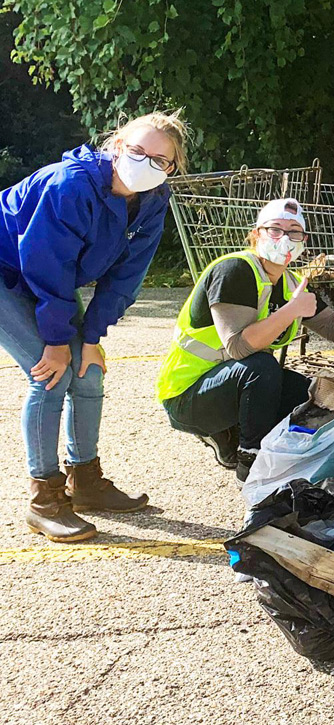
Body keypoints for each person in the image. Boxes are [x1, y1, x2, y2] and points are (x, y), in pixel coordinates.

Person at [0, 110, 189, 542]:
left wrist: (91, 337)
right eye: (137, 150)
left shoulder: (154, 201)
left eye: (160, 160)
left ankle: (84, 481)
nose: (146, 162)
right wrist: (55, 340)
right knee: (50, 372)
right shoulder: (70, 184)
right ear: (117, 145)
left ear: (171, 168)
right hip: (9, 267)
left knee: (89, 368)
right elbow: (46, 263)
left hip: (47, 275)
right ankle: (43, 499)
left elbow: (125, 278)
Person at [156, 198, 334, 486]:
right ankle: (250, 460)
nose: (285, 239)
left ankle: (253, 442)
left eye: (295, 232)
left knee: (306, 396)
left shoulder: (291, 282)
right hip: (186, 396)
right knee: (261, 367)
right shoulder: (235, 271)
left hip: (228, 384)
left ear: (303, 241)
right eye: (275, 230)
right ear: (257, 234)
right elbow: (238, 347)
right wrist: (291, 311)